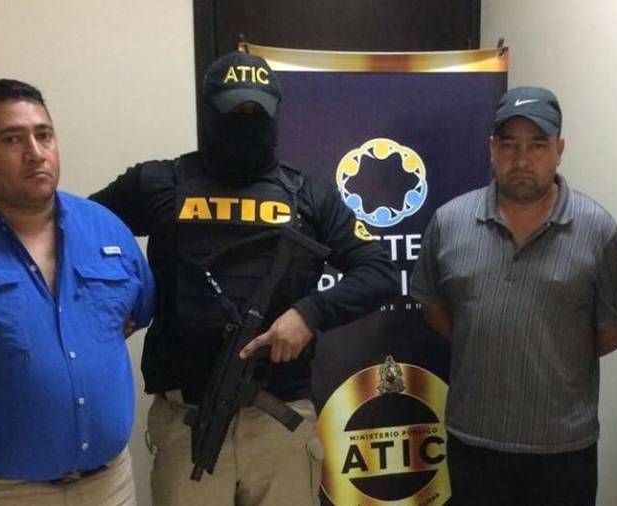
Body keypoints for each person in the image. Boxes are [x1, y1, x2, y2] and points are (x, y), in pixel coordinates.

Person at [90, 50, 397, 506]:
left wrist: (308, 314)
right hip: (189, 418)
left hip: (278, 418)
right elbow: (78, 231)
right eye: (235, 112)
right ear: (209, 111)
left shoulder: (309, 195)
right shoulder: (159, 183)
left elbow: (380, 272)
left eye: (258, 112)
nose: (246, 123)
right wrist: (119, 302)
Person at [409, 86, 617, 505]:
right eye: (509, 145)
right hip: (474, 440)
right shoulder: (449, 222)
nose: (521, 159)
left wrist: (555, 349)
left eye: (537, 145)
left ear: (559, 149)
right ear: (491, 148)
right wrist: (488, 337)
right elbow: (434, 306)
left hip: (563, 448)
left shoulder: (598, 230)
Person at [0, 79, 155, 505]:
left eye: (44, 135)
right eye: (12, 139)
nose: (35, 152)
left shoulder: (105, 227)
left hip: (108, 486)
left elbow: (133, 314)